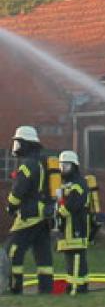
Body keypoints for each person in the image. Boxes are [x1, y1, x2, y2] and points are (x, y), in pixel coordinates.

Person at [5, 126, 55, 294]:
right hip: (43, 217)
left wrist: (10, 207)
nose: (16, 147)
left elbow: (19, 190)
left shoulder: (27, 165)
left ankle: (14, 288)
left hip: (29, 216)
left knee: (12, 251)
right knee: (43, 255)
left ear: (26, 144)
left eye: (18, 143)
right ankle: (46, 289)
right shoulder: (42, 163)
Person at [54, 150, 91, 295]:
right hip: (67, 228)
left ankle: (78, 287)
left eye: (67, 166)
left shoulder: (79, 184)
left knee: (76, 257)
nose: (63, 169)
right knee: (69, 257)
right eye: (62, 166)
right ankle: (71, 285)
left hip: (77, 226)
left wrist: (59, 212)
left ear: (74, 166)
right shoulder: (65, 184)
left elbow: (74, 204)